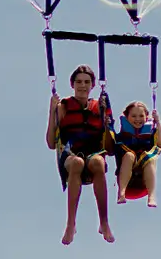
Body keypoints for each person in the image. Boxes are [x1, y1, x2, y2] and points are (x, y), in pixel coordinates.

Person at [46, 66, 113, 245]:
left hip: (93, 153)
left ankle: (104, 222)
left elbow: (111, 149)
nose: (82, 86)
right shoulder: (64, 106)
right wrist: (51, 112)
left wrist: (107, 127)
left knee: (98, 163)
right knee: (77, 163)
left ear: (92, 85)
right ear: (72, 84)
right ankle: (70, 224)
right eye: (78, 82)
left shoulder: (100, 106)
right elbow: (52, 143)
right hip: (70, 153)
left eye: (86, 82)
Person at [113, 102, 161, 208]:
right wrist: (107, 124)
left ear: (147, 117)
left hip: (143, 184)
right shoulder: (121, 136)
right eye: (133, 116)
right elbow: (110, 147)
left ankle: (152, 196)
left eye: (141, 116)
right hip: (128, 185)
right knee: (129, 155)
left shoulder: (151, 133)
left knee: (150, 159)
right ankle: (121, 193)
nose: (138, 119)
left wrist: (158, 122)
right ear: (127, 117)